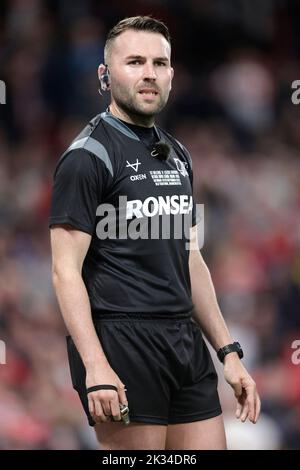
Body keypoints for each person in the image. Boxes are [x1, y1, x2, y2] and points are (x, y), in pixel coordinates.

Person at [49, 15, 261, 450]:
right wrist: (95, 366)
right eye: (135, 61)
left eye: (160, 63)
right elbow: (64, 270)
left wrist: (229, 353)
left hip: (184, 342)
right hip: (122, 341)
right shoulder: (87, 157)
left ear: (171, 75)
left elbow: (191, 258)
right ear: (105, 76)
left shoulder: (178, 153)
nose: (150, 73)